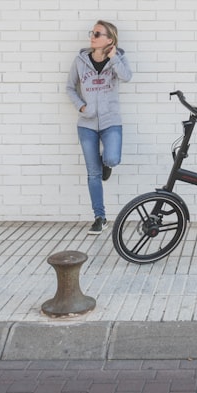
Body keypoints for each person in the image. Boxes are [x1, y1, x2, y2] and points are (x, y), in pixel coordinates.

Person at [66, 20, 133, 234]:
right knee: (93, 173)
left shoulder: (118, 59)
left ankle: (107, 165)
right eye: (92, 33)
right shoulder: (80, 60)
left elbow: (127, 77)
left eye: (97, 33)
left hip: (110, 121)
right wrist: (81, 106)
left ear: (109, 39)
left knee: (112, 158)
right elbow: (69, 88)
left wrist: (113, 57)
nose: (92, 36)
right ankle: (100, 217)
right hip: (86, 124)